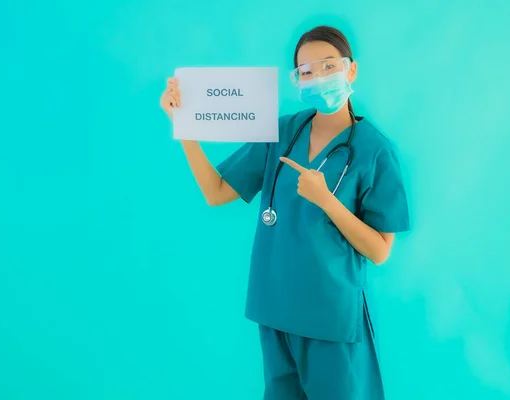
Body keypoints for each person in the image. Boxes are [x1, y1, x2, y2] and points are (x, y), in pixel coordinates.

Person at [160, 25, 410, 400]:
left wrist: (327, 200)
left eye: (328, 66)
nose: (319, 78)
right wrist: (182, 125)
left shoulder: (376, 151)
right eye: (306, 72)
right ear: (297, 80)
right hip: (276, 308)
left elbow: (379, 250)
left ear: (351, 70)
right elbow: (216, 192)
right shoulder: (281, 132)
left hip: (331, 317)